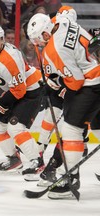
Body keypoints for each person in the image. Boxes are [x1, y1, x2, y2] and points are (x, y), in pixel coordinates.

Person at [26, 12, 100, 199]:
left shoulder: (54, 49)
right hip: (97, 70)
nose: (38, 44)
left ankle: (71, 179)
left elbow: (76, 82)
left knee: (70, 130)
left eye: (38, 40)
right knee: (98, 125)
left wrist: (57, 80)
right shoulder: (62, 20)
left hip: (92, 83)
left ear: (45, 34)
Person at [0, 23, 44, 177]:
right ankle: (14, 158)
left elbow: (20, 90)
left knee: (15, 126)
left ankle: (37, 161)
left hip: (31, 89)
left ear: (3, 40)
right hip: (14, 89)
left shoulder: (10, 60)